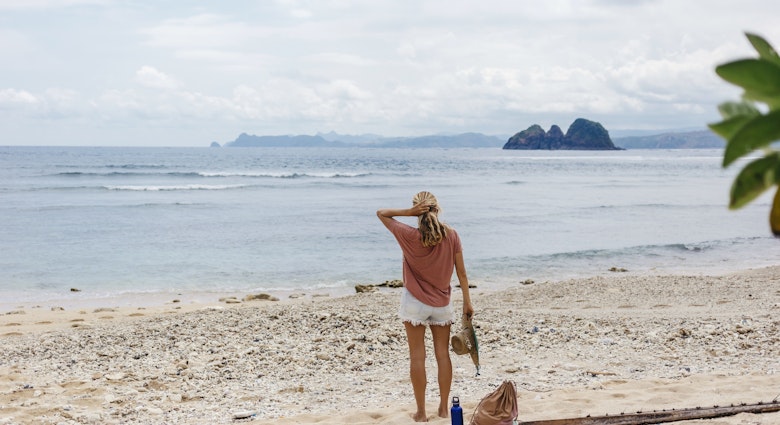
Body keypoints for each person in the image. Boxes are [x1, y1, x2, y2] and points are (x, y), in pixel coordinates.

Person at [377, 191, 474, 422]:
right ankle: (442, 409)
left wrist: (407, 213)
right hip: (442, 304)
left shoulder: (408, 235)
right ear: (437, 209)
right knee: (442, 356)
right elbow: (461, 273)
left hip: (414, 304)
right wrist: (467, 303)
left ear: (417, 211)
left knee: (417, 357)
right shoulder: (452, 235)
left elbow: (381, 214)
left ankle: (421, 412)